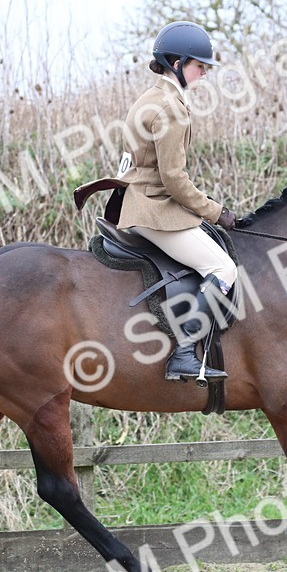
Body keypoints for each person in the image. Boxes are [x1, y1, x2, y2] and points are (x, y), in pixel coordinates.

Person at [116, 20, 238, 382]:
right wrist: (216, 211)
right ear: (176, 63)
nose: (204, 73)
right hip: (154, 210)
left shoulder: (149, 98)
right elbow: (173, 179)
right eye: (199, 66)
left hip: (137, 202)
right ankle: (184, 353)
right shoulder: (170, 107)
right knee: (223, 269)